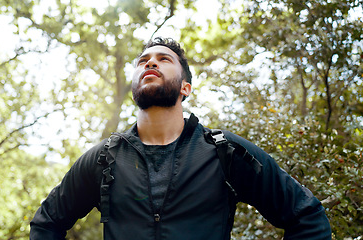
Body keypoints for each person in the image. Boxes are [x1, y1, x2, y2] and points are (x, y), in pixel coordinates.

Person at [30, 37, 332, 239]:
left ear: (185, 88)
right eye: (143, 61)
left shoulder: (225, 151)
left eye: (164, 59)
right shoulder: (103, 158)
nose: (150, 63)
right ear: (134, 83)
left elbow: (307, 216)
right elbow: (46, 224)